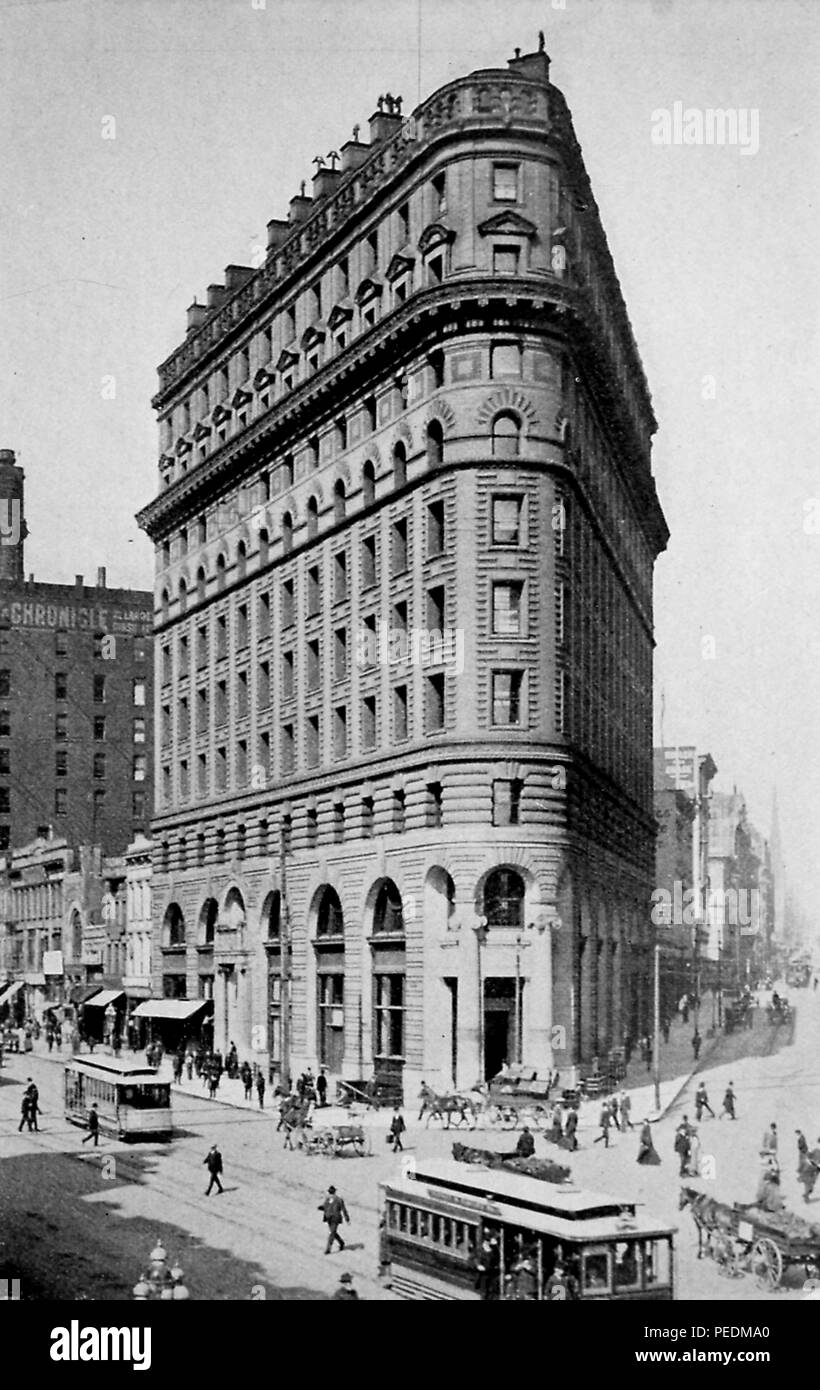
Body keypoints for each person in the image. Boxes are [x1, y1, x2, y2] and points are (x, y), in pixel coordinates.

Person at [319, 1185, 350, 1254]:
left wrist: (347, 1218)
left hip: (335, 1218)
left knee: (332, 1233)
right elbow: (325, 1207)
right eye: (330, 1192)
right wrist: (321, 1208)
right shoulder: (327, 1199)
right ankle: (341, 1242)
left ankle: (328, 1249)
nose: (330, 1193)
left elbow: (343, 1209)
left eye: (331, 1192)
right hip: (329, 1218)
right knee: (333, 1232)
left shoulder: (339, 1200)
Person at [474, 1234, 500, 1300]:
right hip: (483, 1275)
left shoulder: (494, 1250)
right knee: (484, 1292)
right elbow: (473, 1259)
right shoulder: (479, 1250)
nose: (486, 1244)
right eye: (485, 1242)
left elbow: (497, 1258)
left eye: (488, 1243)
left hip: (492, 1273)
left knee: (492, 1291)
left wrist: (494, 1247)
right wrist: (478, 1265)